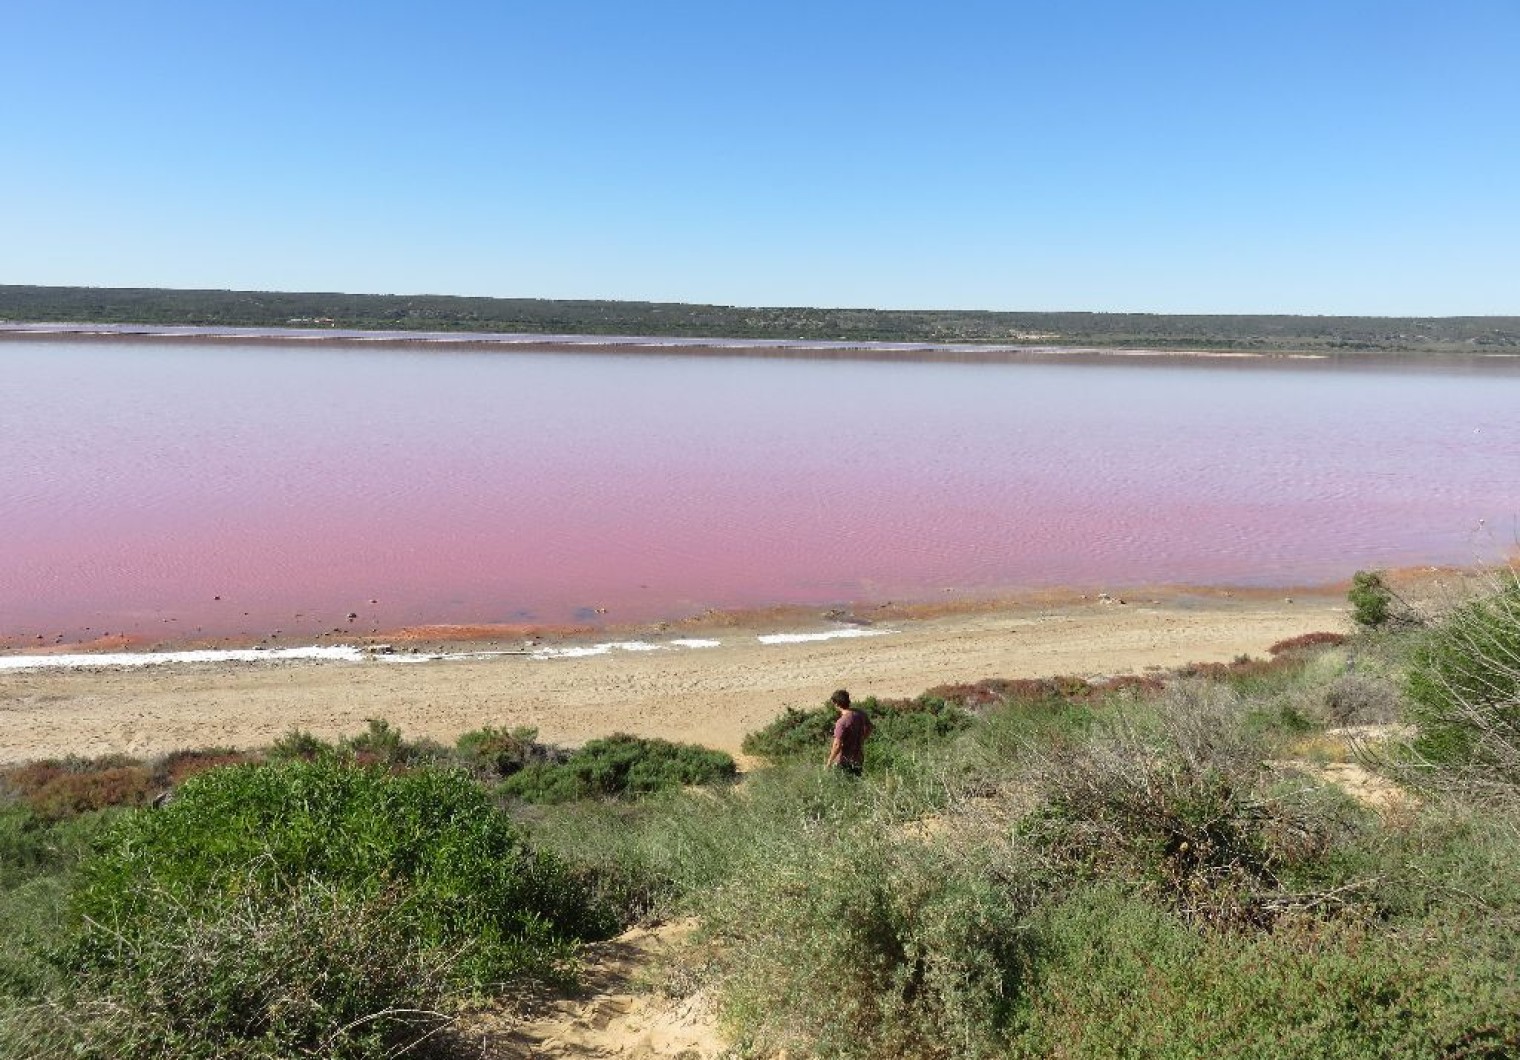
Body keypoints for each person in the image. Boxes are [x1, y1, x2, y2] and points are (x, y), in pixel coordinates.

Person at [825, 689, 872, 776]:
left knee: (843, 787)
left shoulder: (841, 722)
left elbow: (837, 745)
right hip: (858, 758)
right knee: (856, 786)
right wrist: (861, 739)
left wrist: (829, 762)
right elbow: (869, 727)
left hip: (844, 761)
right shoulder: (860, 714)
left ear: (836, 704)